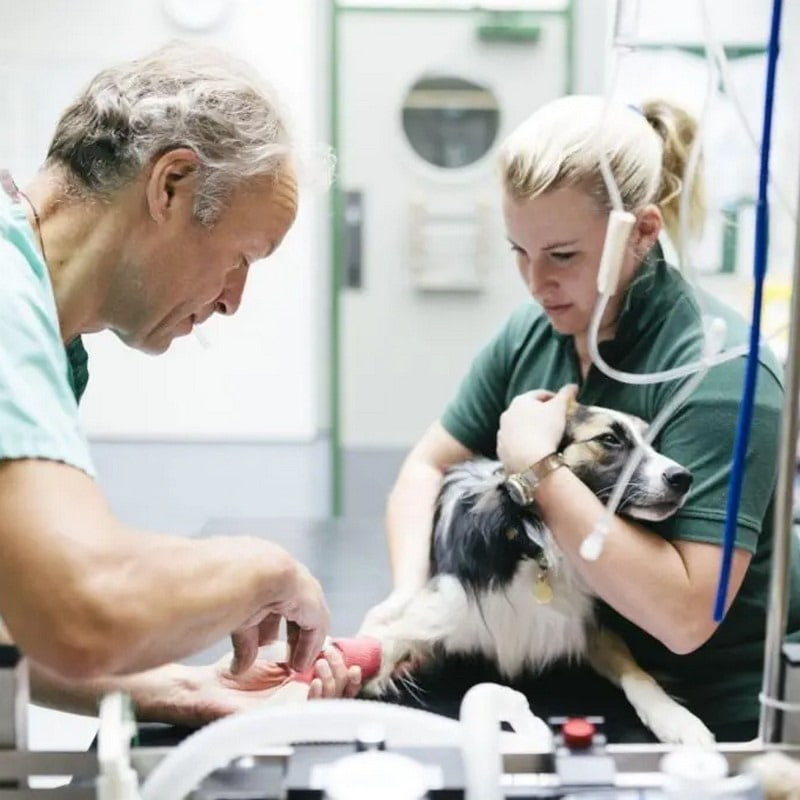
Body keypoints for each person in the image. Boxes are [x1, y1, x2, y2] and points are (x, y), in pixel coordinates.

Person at [364, 94, 800, 741]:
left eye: (562, 255)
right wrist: (407, 600)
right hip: (557, 680)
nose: (536, 283)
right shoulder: (534, 330)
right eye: (519, 250)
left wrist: (539, 468)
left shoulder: (723, 376)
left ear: (643, 233)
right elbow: (428, 466)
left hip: (704, 719)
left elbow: (683, 616)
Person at [0, 41, 361, 727]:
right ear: (171, 185)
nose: (233, 302)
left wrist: (180, 691)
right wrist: (265, 572)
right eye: (240, 258)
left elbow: (19, 606)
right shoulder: (6, 295)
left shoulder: (50, 335)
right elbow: (80, 610)